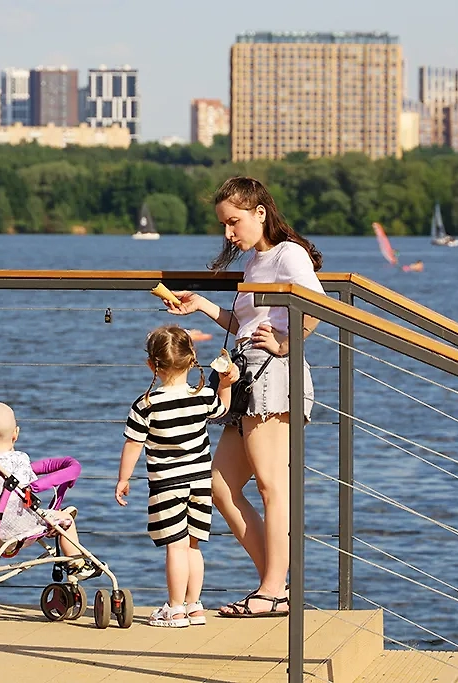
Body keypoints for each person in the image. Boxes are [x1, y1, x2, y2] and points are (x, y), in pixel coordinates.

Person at [164, 176, 324, 618]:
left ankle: (272, 591)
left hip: (274, 379)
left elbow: (320, 304)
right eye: (223, 225)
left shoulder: (288, 255)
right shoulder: (257, 261)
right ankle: (274, 585)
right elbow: (247, 327)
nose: (228, 234)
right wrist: (203, 307)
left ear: (260, 212)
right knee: (220, 484)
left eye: (234, 222)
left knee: (274, 488)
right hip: (248, 378)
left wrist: (290, 344)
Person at [116, 325, 239, 627]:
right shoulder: (202, 396)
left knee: (175, 545)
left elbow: (133, 444)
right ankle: (195, 606)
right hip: (200, 482)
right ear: (192, 359)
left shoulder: (146, 405)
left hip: (167, 484)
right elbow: (223, 409)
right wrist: (225, 384)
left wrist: (123, 479)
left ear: (151, 366)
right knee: (193, 545)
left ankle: (174, 608)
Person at [0, 402, 86, 566]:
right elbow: (32, 485)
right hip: (18, 530)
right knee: (66, 518)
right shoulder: (20, 460)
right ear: (16, 434)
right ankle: (76, 565)